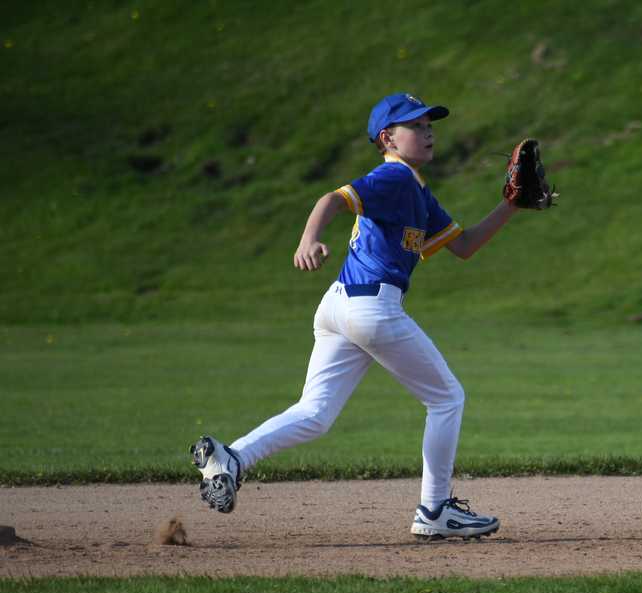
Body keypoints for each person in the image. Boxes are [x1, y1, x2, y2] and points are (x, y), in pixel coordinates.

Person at [191, 92, 531, 541]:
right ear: (388, 137)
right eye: (416, 125)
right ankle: (435, 510)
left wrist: (510, 206)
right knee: (446, 398)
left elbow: (464, 246)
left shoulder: (418, 192)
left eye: (430, 124)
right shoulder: (393, 177)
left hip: (339, 305)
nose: (428, 131)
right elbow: (332, 199)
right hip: (371, 306)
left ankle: (231, 459)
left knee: (315, 413)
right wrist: (308, 239)